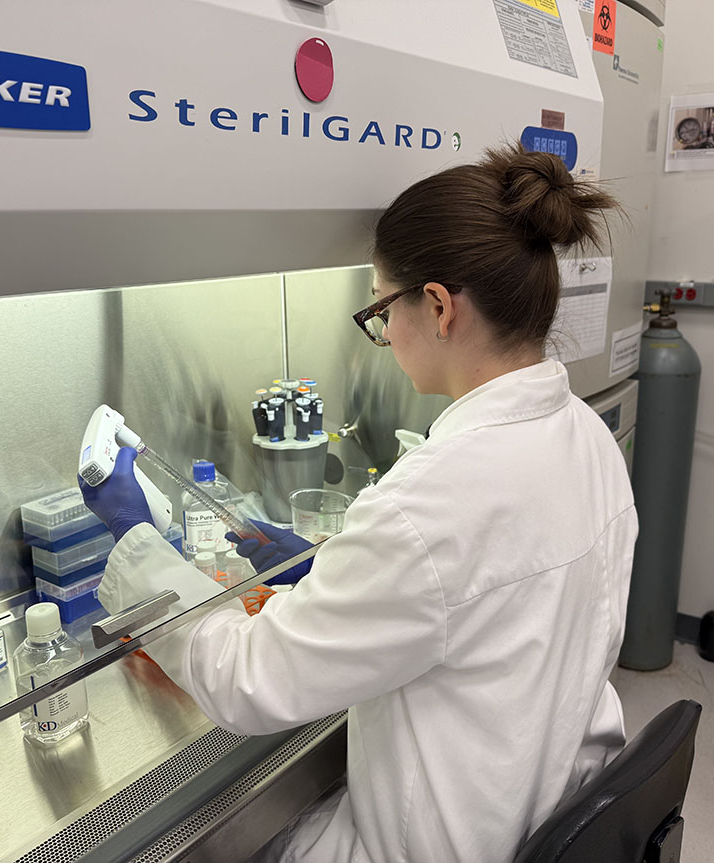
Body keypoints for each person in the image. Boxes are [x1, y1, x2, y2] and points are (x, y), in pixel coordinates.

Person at [80, 144, 637, 863]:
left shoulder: (429, 503)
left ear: (438, 307)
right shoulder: (588, 437)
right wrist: (327, 567)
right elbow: (481, 600)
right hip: (544, 810)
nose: (383, 333)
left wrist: (135, 535)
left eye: (379, 309)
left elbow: (249, 680)